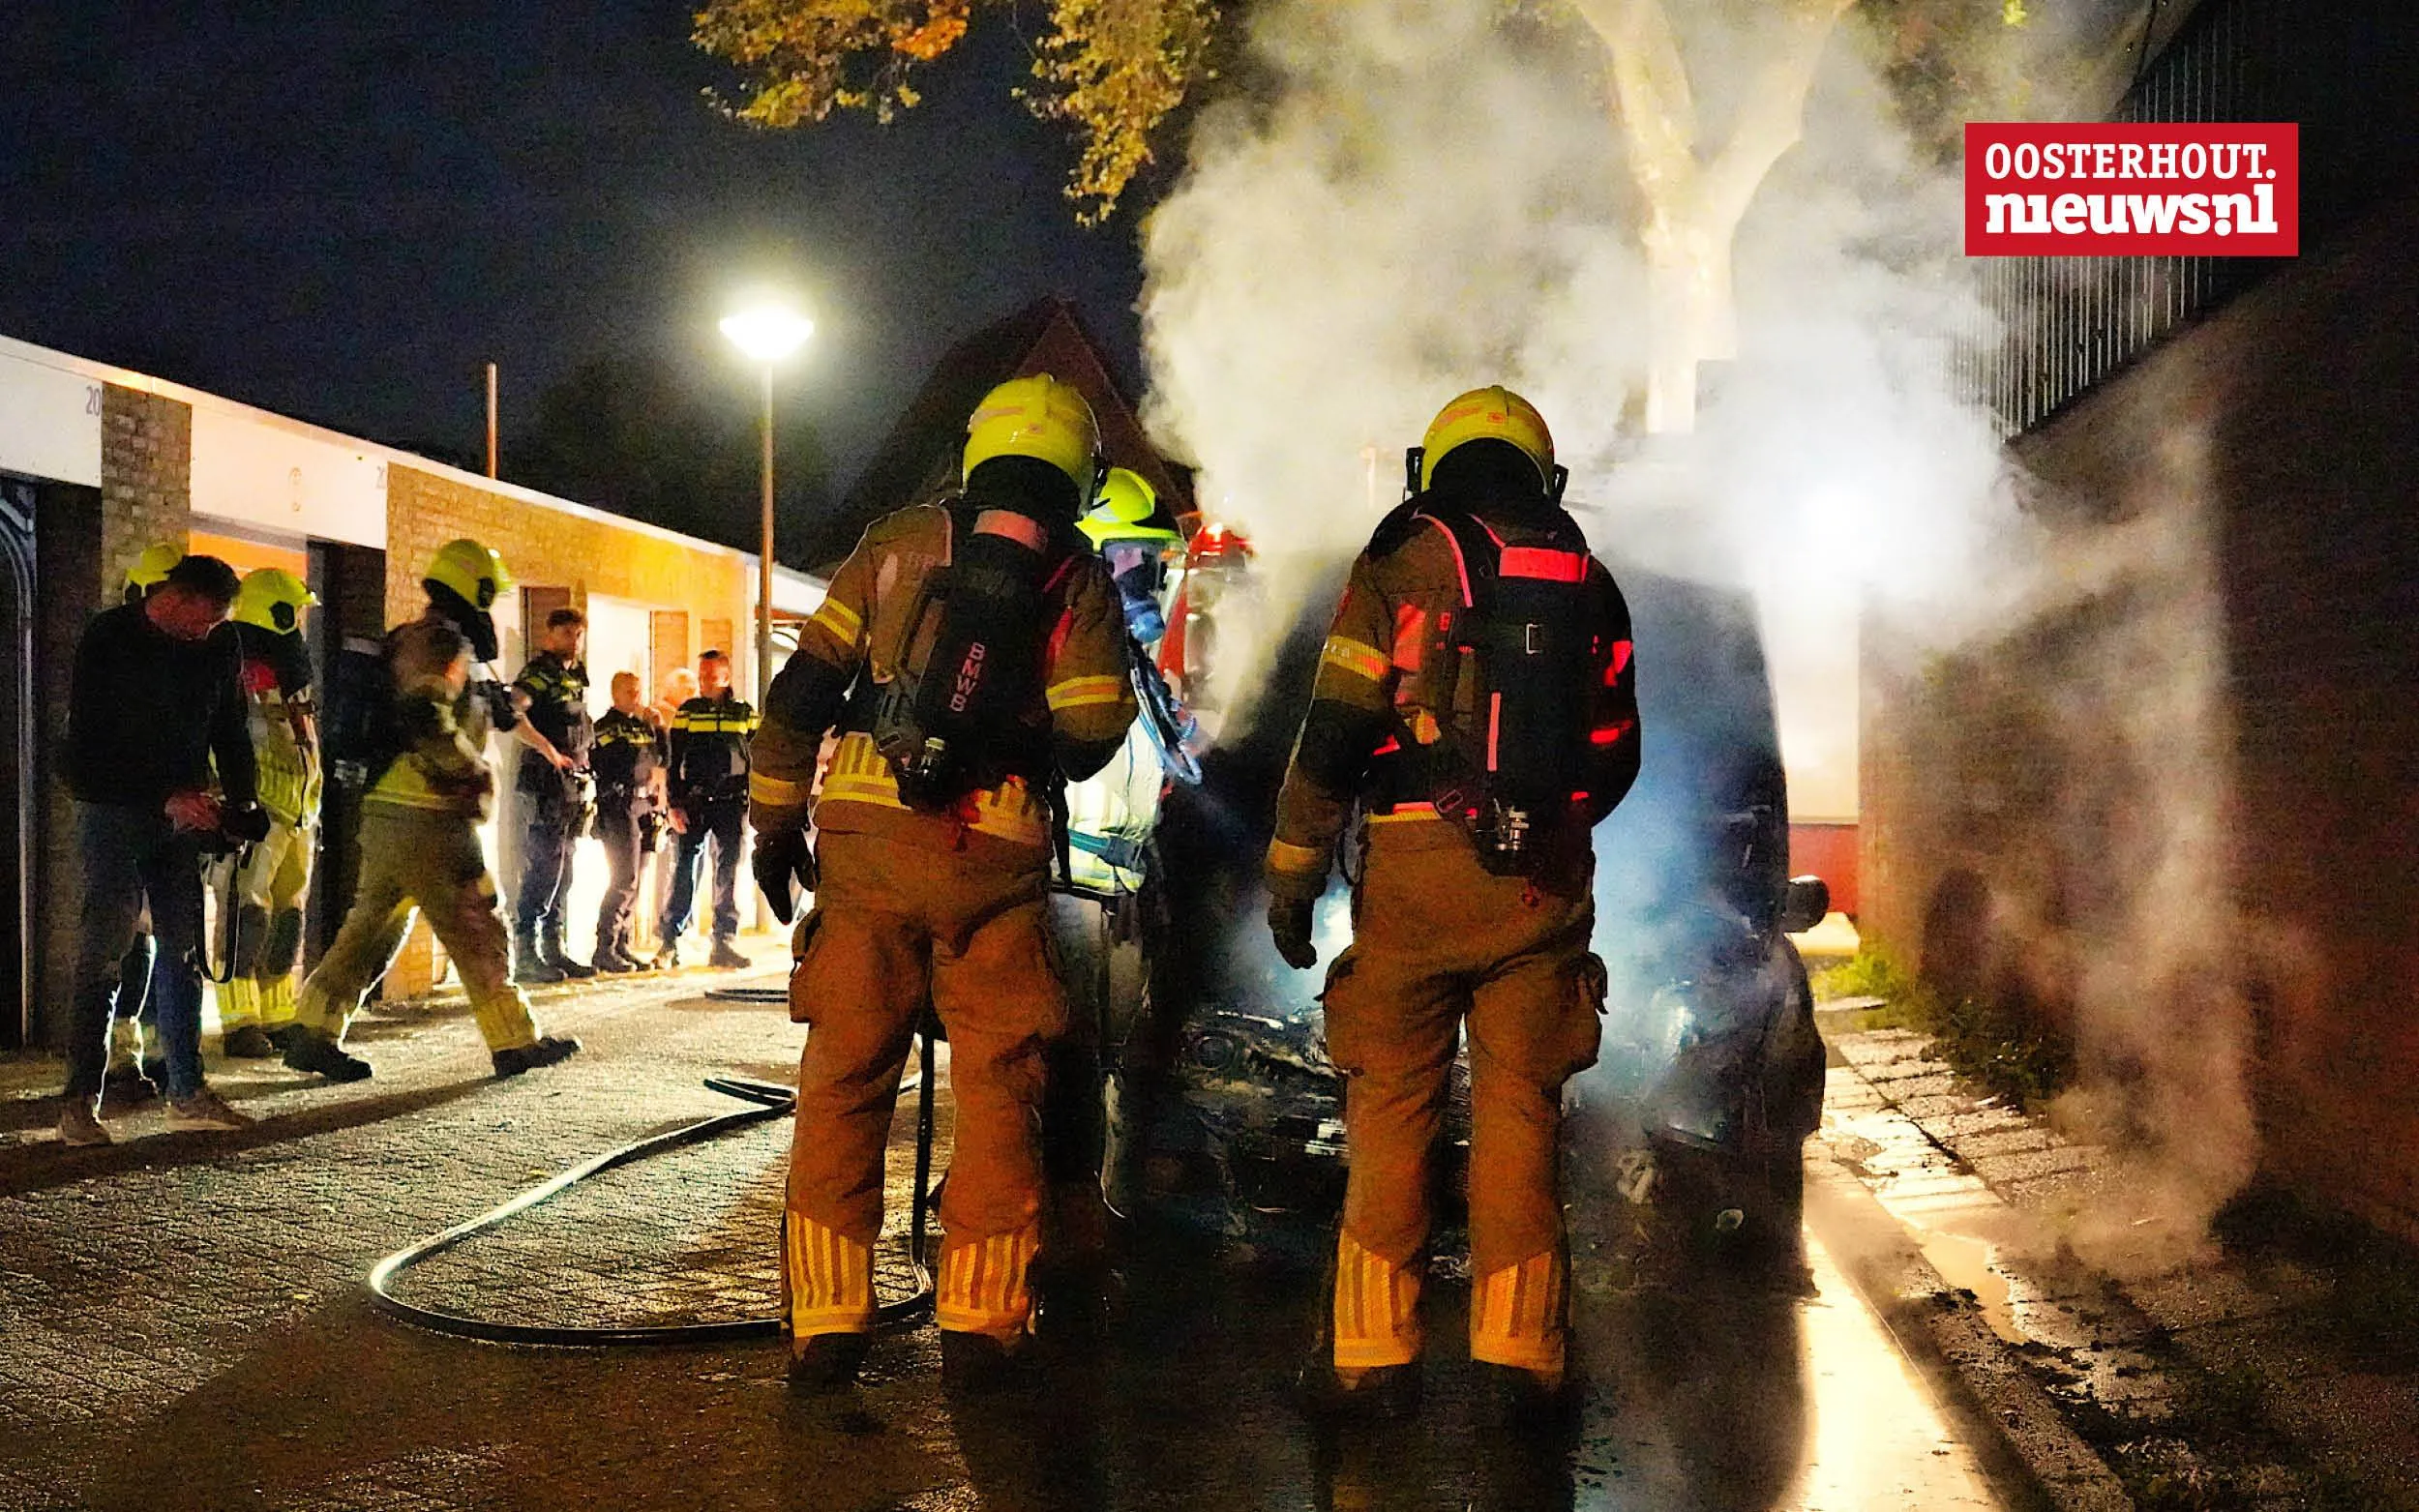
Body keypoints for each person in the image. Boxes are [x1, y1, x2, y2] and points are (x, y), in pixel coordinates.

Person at [748, 373, 1139, 1391]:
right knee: (1001, 1090)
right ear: (1078, 469)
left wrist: (773, 823)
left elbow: (801, 693)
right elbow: (1092, 734)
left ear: (977, 446)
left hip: (868, 840)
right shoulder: (1076, 573)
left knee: (845, 1079)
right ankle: (981, 1324)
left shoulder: (896, 540)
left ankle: (826, 1325)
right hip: (993, 856)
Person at [1265, 387, 1642, 1423]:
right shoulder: (1588, 576)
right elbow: (1617, 751)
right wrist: (1546, 825)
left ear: (1433, 466)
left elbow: (1335, 728)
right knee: (1521, 1112)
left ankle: (1369, 1360)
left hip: (1411, 869)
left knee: (1391, 1108)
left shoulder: (1398, 561)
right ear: (1542, 474)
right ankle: (1521, 1357)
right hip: (1541, 885)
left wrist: (1293, 873)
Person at [283, 540, 582, 1082]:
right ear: (476, 589)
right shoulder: (442, 640)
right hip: (431, 813)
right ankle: (515, 1041)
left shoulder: (419, 638)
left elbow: (465, 709)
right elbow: (425, 712)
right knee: (478, 925)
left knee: (372, 929)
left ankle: (313, 1030)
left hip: (391, 809)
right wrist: (471, 771)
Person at [56, 553, 264, 1144]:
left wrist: (243, 803)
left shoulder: (219, 645)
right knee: (105, 953)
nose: (207, 633)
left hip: (183, 816)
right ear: (173, 597)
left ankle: (188, 1092)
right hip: (115, 813)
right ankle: (79, 1102)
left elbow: (230, 728)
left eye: (218, 624)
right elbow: (84, 752)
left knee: (183, 951)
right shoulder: (111, 636)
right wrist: (164, 798)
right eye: (202, 620)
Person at [215, 567, 325, 1059]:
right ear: (271, 612)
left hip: (299, 810)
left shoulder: (290, 671)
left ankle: (279, 1014)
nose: (298, 622)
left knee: (288, 917)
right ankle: (239, 1021)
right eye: (293, 611)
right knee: (247, 913)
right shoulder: (232, 668)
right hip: (257, 810)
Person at [512, 608, 598, 983]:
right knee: (543, 867)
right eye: (566, 634)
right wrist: (547, 750)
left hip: (571, 785)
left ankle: (554, 948)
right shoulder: (538, 674)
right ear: (549, 636)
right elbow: (513, 713)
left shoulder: (575, 676)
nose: (574, 641)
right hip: (544, 782)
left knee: (565, 869)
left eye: (578, 635)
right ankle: (526, 954)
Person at [657, 650, 754, 969]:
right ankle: (670, 941)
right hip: (694, 801)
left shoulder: (744, 713)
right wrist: (674, 803)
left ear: (726, 677)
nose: (704, 682)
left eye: (711, 676)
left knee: (728, 872)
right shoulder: (688, 711)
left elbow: (756, 757)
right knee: (684, 869)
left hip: (732, 802)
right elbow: (673, 760)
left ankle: (723, 942)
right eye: (701, 676)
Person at [588, 670, 667, 973]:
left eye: (638, 691)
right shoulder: (606, 727)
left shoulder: (642, 726)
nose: (636, 697)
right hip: (618, 806)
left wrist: (659, 728)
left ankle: (622, 943)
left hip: (643, 805)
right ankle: (604, 948)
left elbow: (662, 759)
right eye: (629, 692)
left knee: (638, 878)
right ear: (615, 694)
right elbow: (612, 761)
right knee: (624, 878)